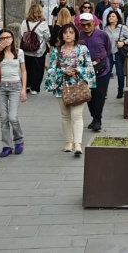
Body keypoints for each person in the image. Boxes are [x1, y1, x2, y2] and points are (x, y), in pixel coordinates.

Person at [43, 24, 96, 157]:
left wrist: (79, 70)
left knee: (77, 115)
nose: (68, 35)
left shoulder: (82, 49)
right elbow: (50, 69)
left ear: (76, 35)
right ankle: (69, 141)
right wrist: (62, 71)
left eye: (71, 32)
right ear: (61, 35)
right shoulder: (56, 50)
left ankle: (78, 144)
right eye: (65, 32)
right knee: (65, 115)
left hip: (78, 86)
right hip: (62, 86)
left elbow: (89, 67)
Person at [0, 29, 26, 157]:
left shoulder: (19, 52)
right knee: (4, 119)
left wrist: (23, 89)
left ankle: (19, 140)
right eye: (1, 38)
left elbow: (23, 71)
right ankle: (6, 145)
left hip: (15, 86)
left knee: (13, 117)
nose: (5, 40)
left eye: (7, 37)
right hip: (1, 86)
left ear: (12, 39)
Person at [77, 13, 112, 133]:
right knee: (89, 95)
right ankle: (94, 117)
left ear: (93, 23)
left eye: (88, 24)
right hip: (85, 70)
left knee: (100, 94)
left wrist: (101, 60)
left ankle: (98, 119)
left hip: (101, 68)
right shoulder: (80, 36)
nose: (86, 27)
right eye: (83, 25)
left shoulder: (102, 34)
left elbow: (108, 49)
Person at [19, 4, 50, 95]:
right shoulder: (43, 24)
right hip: (39, 50)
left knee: (27, 67)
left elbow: (20, 35)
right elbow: (47, 37)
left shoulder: (24, 22)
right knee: (38, 69)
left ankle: (27, 85)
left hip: (26, 50)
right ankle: (35, 88)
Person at [103, 9, 128, 99]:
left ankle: (120, 91)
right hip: (108, 53)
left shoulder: (122, 28)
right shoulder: (105, 28)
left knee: (120, 73)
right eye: (109, 16)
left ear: (117, 18)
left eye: (113, 16)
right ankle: (104, 92)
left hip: (118, 53)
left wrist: (124, 42)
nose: (110, 18)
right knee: (107, 73)